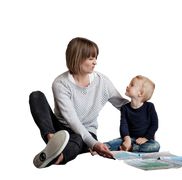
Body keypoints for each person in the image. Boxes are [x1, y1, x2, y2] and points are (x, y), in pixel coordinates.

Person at [29, 37, 128, 168]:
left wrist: (144, 109)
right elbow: (72, 119)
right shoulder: (61, 83)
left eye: (95, 58)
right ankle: (52, 141)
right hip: (59, 128)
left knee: (78, 138)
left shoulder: (102, 81)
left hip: (86, 131)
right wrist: (94, 144)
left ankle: (57, 157)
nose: (95, 62)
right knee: (36, 96)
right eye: (91, 58)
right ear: (77, 58)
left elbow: (123, 105)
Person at [105, 75, 160, 153]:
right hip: (129, 138)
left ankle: (131, 148)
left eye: (132, 85)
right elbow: (123, 125)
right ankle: (102, 147)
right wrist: (127, 140)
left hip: (145, 141)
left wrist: (145, 138)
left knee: (155, 146)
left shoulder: (150, 107)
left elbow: (154, 125)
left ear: (140, 93)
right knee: (115, 142)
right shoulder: (125, 108)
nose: (128, 86)